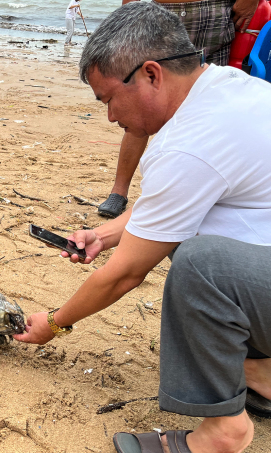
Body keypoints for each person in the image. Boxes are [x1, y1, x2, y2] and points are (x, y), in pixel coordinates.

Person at [15, 2, 271, 452]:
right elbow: (172, 201)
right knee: (188, 237)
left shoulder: (190, 145)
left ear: (151, 73)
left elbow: (125, 275)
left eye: (109, 99)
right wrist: (106, 235)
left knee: (200, 264)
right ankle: (264, 375)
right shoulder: (225, 86)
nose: (111, 117)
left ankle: (224, 433)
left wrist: (52, 325)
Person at [97, 0, 259, 218]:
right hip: (161, 11)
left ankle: (201, 195)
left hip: (213, 10)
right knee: (142, 107)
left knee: (212, 103)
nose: (110, 116)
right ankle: (121, 190)